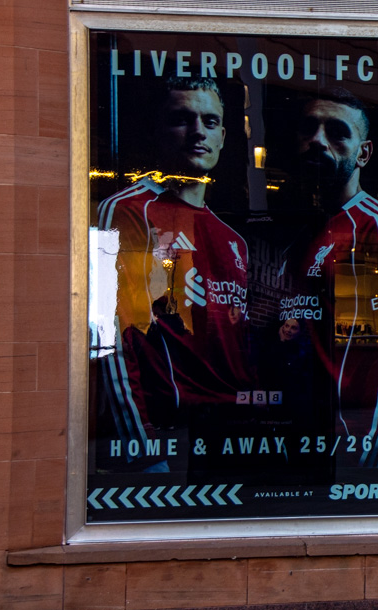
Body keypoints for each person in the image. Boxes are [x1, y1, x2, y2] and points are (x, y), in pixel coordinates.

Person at [97, 76, 251, 471]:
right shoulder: (128, 210)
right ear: (159, 130)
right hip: (170, 435)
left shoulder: (233, 239)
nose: (198, 132)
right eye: (182, 119)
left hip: (233, 431)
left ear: (222, 136)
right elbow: (109, 333)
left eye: (210, 122)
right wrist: (141, 445)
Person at [265, 88, 378, 466]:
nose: (317, 141)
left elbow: (375, 353)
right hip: (299, 427)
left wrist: (362, 448)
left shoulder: (369, 226)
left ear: (363, 153)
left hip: (340, 440)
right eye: (309, 129)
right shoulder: (306, 230)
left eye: (336, 132)